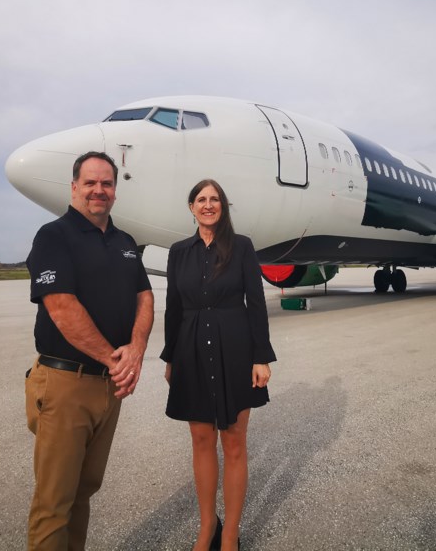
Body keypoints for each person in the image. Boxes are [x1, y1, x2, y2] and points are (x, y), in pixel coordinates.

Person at [24, 151, 154, 551]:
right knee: (54, 503)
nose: (99, 190)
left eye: (107, 183)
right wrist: (116, 359)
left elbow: (145, 296)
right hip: (67, 383)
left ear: (115, 190)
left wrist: (136, 349)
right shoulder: (54, 236)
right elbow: (61, 306)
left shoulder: (125, 241)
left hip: (107, 386)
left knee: (83, 493)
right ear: (75, 187)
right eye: (91, 183)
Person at [161, 179, 276, 551]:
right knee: (200, 440)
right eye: (201, 199)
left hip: (236, 348)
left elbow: (256, 303)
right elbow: (174, 308)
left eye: (214, 200)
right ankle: (208, 525)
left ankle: (230, 534)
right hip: (191, 348)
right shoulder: (179, 251)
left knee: (235, 442)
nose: (208, 205)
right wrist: (170, 357)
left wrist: (261, 357)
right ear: (191, 207)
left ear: (223, 207)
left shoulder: (241, 247)